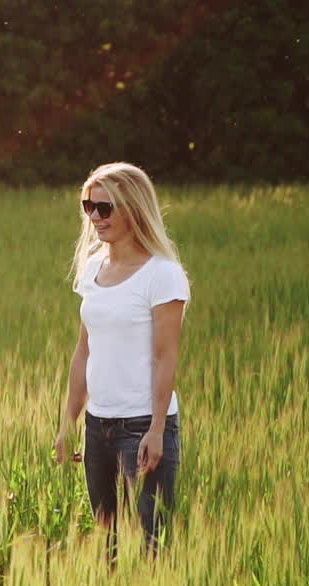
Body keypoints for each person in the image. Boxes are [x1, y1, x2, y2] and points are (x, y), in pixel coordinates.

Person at [53, 162, 190, 558]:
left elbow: (166, 357)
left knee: (152, 547)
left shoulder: (162, 275)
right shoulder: (93, 269)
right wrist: (69, 422)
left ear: (133, 208)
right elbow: (84, 349)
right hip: (98, 428)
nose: (95, 217)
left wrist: (158, 429)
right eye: (88, 207)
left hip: (143, 425)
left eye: (105, 208)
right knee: (105, 543)